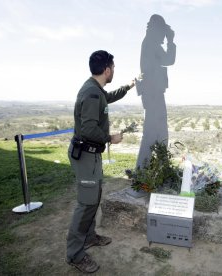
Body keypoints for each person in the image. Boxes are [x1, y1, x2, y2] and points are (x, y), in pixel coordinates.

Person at [66, 50, 135, 273]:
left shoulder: (96, 90)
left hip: (91, 154)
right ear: (107, 69)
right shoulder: (92, 94)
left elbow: (110, 96)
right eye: (113, 68)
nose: (114, 71)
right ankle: (75, 254)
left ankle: (89, 237)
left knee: (93, 197)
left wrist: (128, 86)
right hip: (86, 154)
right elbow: (87, 128)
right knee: (86, 203)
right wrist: (109, 138)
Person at [135, 14, 176, 169]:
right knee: (152, 134)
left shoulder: (149, 42)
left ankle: (160, 168)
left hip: (153, 93)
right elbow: (169, 60)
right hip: (153, 95)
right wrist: (171, 41)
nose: (164, 36)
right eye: (163, 31)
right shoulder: (151, 43)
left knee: (160, 133)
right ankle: (141, 171)